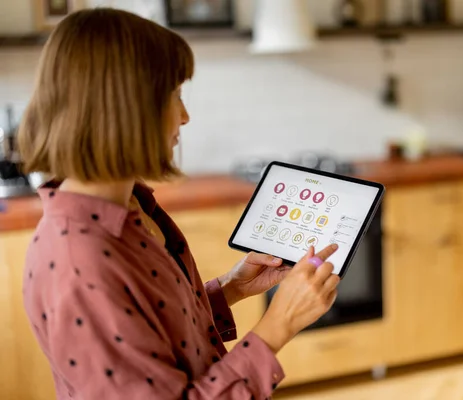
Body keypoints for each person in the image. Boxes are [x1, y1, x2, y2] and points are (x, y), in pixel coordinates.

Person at [18, 8, 340, 400]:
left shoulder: (134, 209)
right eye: (174, 95)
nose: (185, 117)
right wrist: (279, 324)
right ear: (126, 110)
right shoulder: (78, 260)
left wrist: (231, 288)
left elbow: (158, 332)